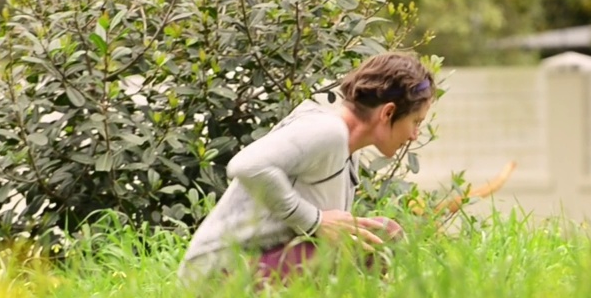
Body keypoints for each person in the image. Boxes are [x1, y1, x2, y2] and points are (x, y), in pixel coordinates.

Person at [177, 52, 434, 285]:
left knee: (379, 236)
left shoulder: (346, 147)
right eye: (416, 121)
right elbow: (246, 165)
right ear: (388, 113)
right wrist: (315, 221)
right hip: (216, 276)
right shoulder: (328, 130)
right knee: (376, 237)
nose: (414, 134)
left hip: (262, 262)